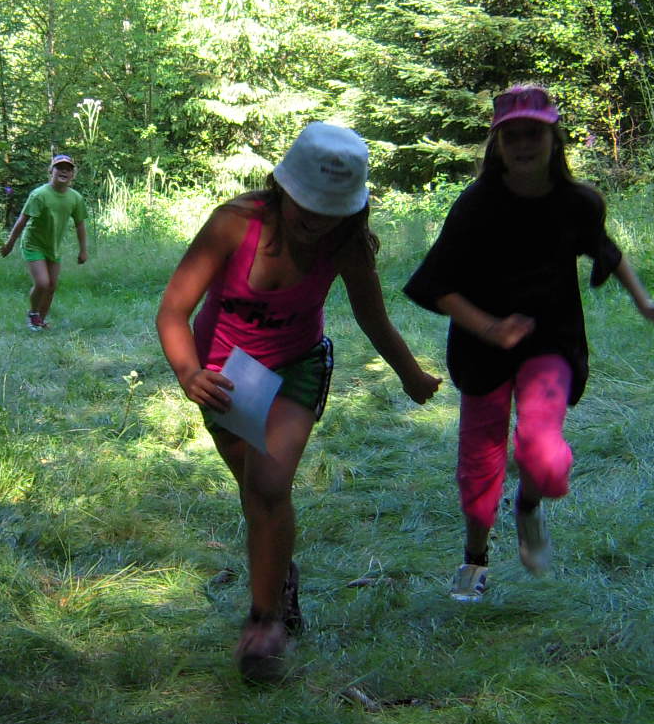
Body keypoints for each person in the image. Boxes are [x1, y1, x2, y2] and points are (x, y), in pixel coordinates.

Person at [157, 122, 441, 681]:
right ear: (283, 187)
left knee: (269, 486)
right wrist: (189, 372)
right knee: (254, 490)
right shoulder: (233, 223)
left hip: (297, 369)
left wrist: (410, 373)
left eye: (329, 210)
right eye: (307, 205)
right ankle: (279, 574)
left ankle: (265, 621)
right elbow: (173, 310)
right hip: (222, 377)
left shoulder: (346, 244)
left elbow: (371, 315)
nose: (315, 220)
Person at [404, 85, 654, 601]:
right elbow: (436, 284)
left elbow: (606, 250)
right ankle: (475, 559)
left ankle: (528, 506)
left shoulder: (578, 202)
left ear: (555, 138)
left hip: (550, 341)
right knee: (480, 463)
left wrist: (645, 303)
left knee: (545, 458)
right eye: (511, 136)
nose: (523, 145)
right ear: (497, 144)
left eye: (533, 133)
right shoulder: (476, 206)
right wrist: (490, 327)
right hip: (481, 350)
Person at [0, 152, 88, 331]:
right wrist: (9, 244)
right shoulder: (39, 195)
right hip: (33, 243)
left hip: (53, 246)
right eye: (59, 168)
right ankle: (33, 314)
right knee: (42, 283)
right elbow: (22, 220)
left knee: (52, 286)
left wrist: (83, 250)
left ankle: (40, 321)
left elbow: (80, 224)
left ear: (73, 174)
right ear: (51, 171)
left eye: (68, 169)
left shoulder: (75, 198)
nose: (63, 171)